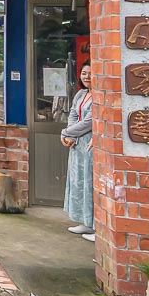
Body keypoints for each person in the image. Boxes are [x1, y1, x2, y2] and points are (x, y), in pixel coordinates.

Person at [62, 61, 95, 242]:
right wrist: (71, 135)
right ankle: (86, 221)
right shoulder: (81, 94)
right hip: (78, 144)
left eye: (91, 73)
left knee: (91, 183)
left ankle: (98, 225)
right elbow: (74, 114)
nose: (87, 77)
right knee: (80, 182)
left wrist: (67, 132)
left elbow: (90, 121)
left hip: (91, 144)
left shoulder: (100, 95)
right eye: (84, 73)